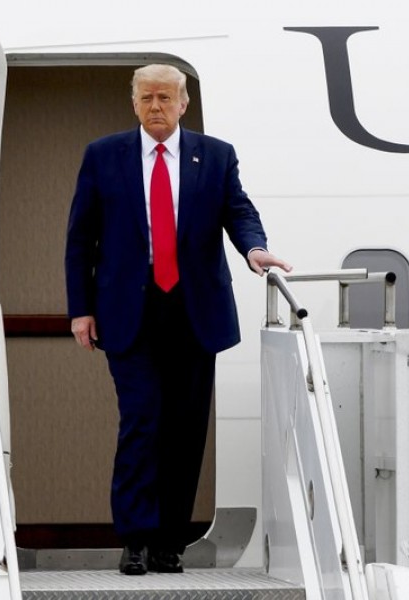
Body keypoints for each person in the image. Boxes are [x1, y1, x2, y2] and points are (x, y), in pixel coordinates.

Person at [64, 64, 292, 576]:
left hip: (194, 311)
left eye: (166, 98)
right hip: (129, 311)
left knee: (186, 430)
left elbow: (238, 210)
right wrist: (81, 308)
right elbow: (81, 238)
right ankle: (136, 539)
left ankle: (171, 541)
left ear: (184, 104)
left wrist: (255, 250)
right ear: (134, 104)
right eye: (147, 98)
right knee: (141, 422)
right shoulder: (104, 155)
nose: (156, 107)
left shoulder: (215, 155)